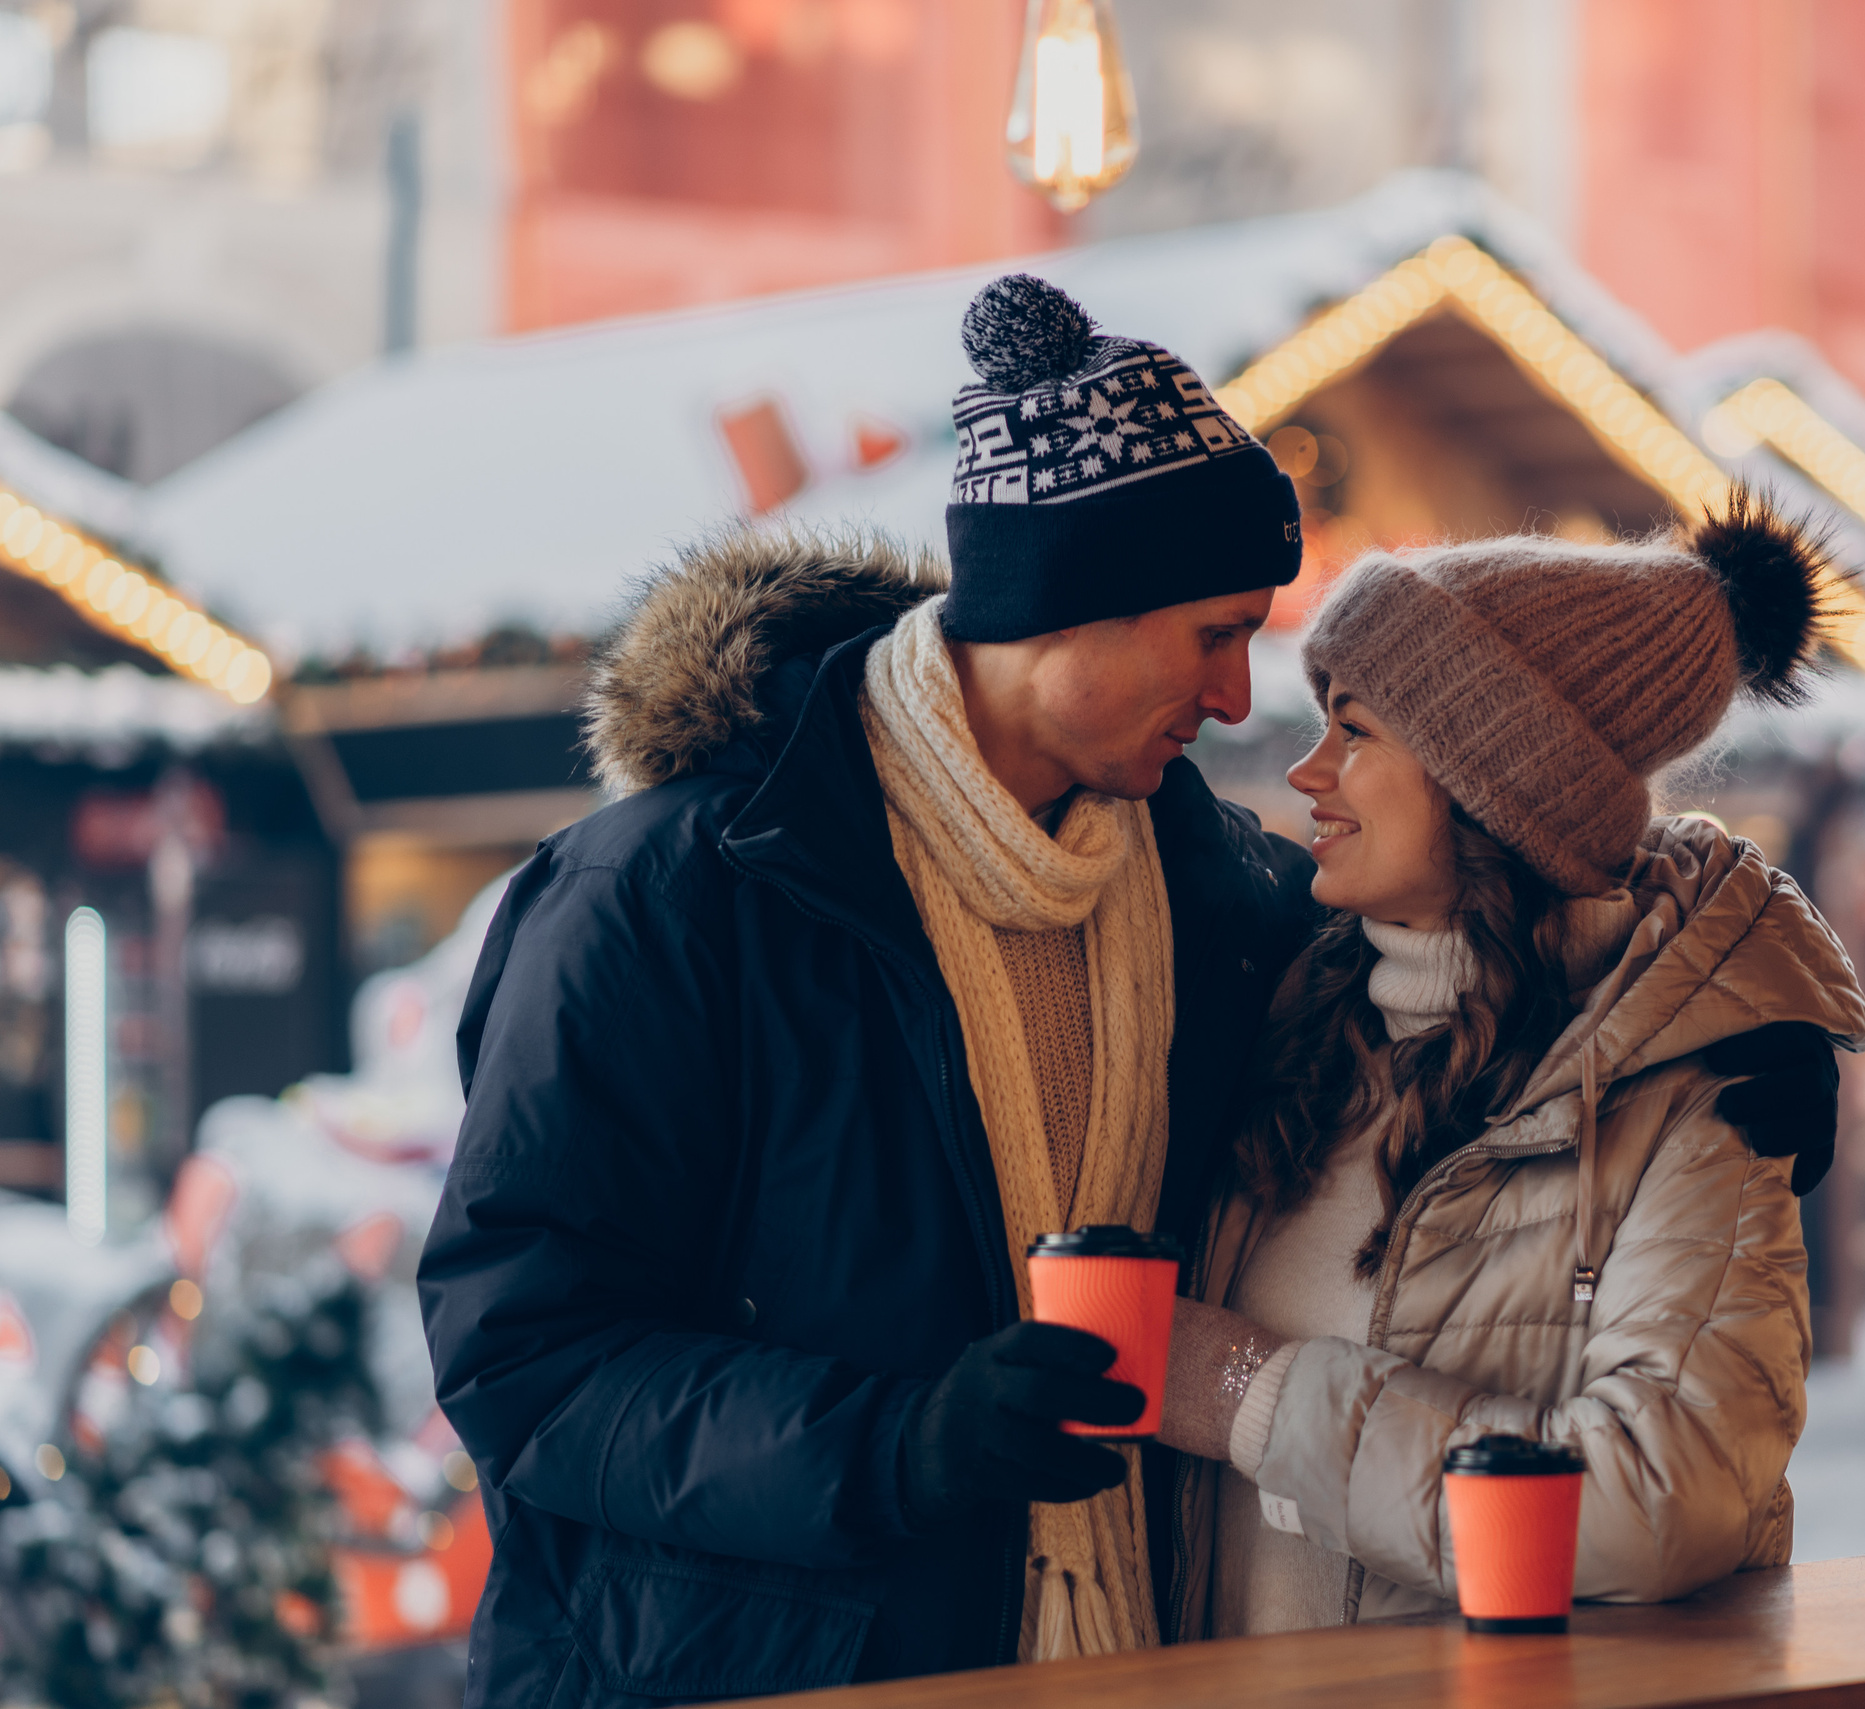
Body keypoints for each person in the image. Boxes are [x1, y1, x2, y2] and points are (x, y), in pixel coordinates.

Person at [417, 275, 1318, 1703]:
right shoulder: (671, 893)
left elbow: (1433, 1032)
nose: (1235, 697)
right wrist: (900, 1443)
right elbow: (527, 1359)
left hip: (1128, 1647)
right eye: (1216, 631)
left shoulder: (1217, 897)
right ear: (1069, 599)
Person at [1150, 501, 1865, 1635]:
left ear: (1491, 781)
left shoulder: (1701, 1098)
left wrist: (1249, 1392)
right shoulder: (1286, 1014)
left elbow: (1658, 1498)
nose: (1307, 771)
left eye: (1355, 730)